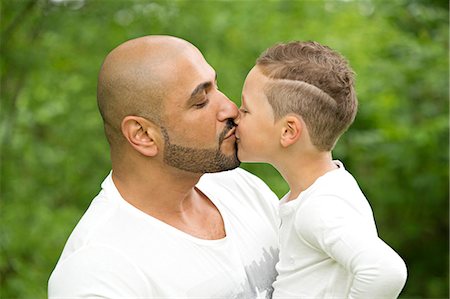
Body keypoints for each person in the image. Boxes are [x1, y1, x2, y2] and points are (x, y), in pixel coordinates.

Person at [48, 35, 280, 298]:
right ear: (143, 135)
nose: (230, 108)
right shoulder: (98, 273)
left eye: (217, 86)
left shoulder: (240, 187)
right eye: (201, 101)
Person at [235, 41, 408, 298]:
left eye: (246, 109)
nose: (235, 115)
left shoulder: (319, 207)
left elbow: (386, 271)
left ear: (288, 131)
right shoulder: (320, 193)